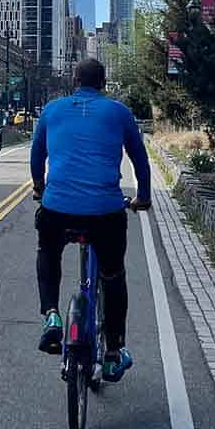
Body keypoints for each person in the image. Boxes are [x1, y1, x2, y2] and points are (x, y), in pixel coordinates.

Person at [29, 57, 152, 382]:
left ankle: (52, 315)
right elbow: (140, 158)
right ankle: (112, 353)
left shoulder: (51, 110)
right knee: (113, 277)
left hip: (57, 208)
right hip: (105, 212)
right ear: (104, 83)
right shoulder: (119, 111)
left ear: (73, 81)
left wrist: (40, 189)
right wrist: (144, 197)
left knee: (48, 251)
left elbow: (36, 155)